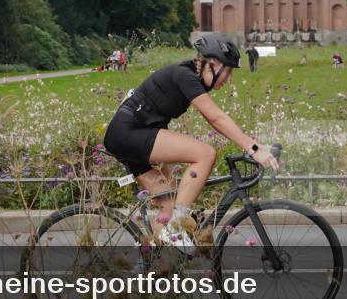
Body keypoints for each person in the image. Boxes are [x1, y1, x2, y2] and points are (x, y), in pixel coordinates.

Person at [102, 36, 279, 252]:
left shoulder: (190, 78)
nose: (229, 78)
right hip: (130, 132)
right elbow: (217, 118)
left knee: (167, 205)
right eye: (228, 70)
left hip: (131, 134)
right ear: (212, 64)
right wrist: (253, 149)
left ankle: (160, 268)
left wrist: (255, 145)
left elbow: (214, 119)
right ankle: (177, 226)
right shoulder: (184, 75)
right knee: (205, 154)